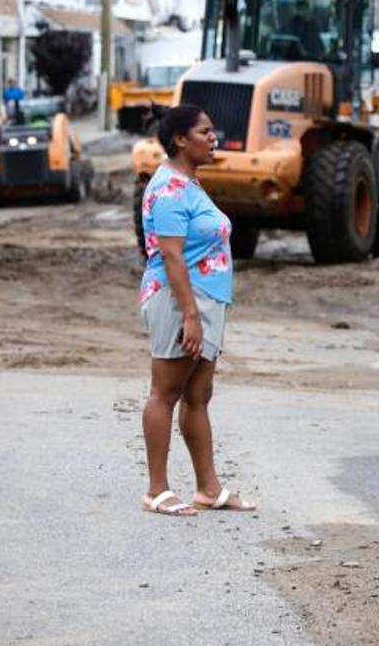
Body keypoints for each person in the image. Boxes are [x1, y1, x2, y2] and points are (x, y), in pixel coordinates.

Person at [137, 104, 255, 516]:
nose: (213, 138)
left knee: (198, 395)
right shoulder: (168, 188)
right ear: (180, 140)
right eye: (205, 132)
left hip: (206, 300)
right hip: (178, 301)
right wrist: (189, 314)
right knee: (165, 393)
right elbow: (171, 258)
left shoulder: (190, 183)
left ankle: (208, 488)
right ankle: (157, 490)